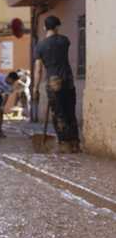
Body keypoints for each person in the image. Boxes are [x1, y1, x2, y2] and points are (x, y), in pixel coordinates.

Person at [33, 15, 81, 153]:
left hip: (53, 83)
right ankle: (75, 143)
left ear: (44, 27)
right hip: (68, 81)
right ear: (57, 27)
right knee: (70, 112)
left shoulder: (40, 46)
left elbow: (38, 69)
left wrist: (35, 88)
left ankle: (64, 144)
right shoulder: (64, 41)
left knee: (59, 114)